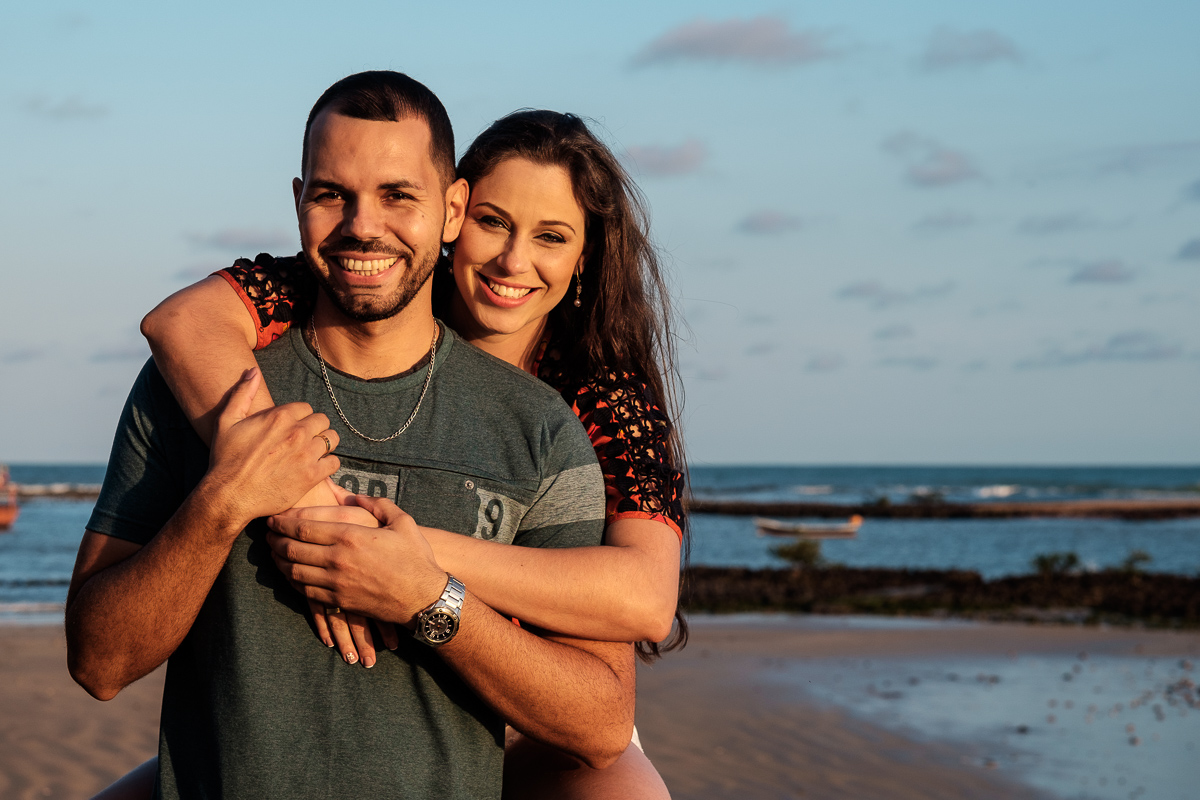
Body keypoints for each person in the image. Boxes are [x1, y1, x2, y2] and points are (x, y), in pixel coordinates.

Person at [67, 71, 640, 800]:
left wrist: (429, 599)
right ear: (298, 202)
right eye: (332, 194)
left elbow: (600, 725)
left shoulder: (539, 428)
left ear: (452, 210)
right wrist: (224, 501)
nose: (363, 226)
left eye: (398, 195)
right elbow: (98, 662)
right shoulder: (196, 390)